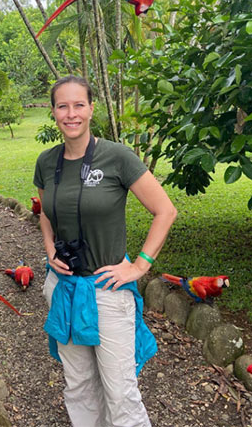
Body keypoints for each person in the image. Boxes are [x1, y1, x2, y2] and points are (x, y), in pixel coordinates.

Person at [34, 75, 177, 427]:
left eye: (78, 105)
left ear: (91, 108)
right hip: (64, 289)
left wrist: (140, 266)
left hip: (107, 290)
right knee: (79, 384)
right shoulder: (46, 162)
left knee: (120, 392)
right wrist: (50, 249)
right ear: (53, 112)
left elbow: (166, 211)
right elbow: (45, 213)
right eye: (62, 106)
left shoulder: (117, 157)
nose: (71, 114)